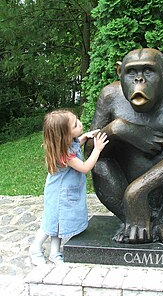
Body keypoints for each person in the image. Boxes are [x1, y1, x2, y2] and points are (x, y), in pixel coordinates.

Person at [29, 109, 109, 265]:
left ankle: (54, 252)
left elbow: (75, 145)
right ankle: (36, 248)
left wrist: (84, 137)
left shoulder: (67, 144)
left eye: (77, 120)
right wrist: (98, 149)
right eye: (75, 125)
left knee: (59, 224)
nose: (80, 123)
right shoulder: (64, 154)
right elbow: (85, 167)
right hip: (59, 195)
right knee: (50, 225)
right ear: (65, 134)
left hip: (65, 192)